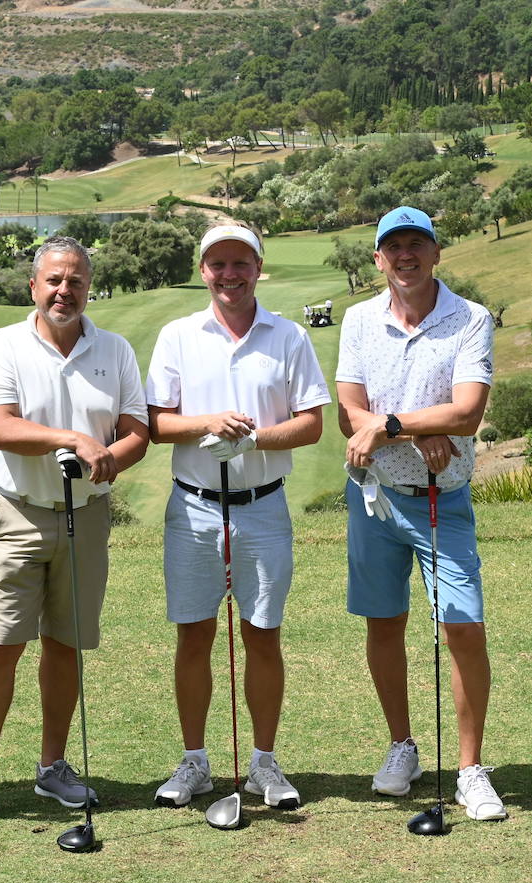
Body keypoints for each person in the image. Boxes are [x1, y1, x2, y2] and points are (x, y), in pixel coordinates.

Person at [0, 236, 150, 829]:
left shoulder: (114, 349)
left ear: (89, 287)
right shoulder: (2, 345)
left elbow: (137, 429)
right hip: (18, 512)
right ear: (34, 286)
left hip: (88, 515)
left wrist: (114, 456)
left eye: (76, 280)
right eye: (54, 280)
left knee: (66, 645)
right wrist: (77, 440)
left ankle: (52, 766)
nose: (65, 290)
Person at [145, 223, 330, 810]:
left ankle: (264, 764)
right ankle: (195, 761)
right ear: (204, 270)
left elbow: (311, 423)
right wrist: (208, 424)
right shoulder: (177, 336)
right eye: (218, 264)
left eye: (240, 263)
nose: (229, 275)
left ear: (258, 268)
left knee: (263, 634)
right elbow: (155, 423)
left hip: (264, 505)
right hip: (194, 508)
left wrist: (253, 439)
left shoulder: (289, 336)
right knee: (194, 633)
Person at [336, 206, 506, 821]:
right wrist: (406, 435)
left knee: (462, 625)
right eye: (393, 247)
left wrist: (395, 424)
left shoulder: (470, 318)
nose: (405, 256)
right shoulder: (358, 319)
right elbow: (348, 412)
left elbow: (465, 414)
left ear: (435, 253)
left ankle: (470, 769)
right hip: (374, 497)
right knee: (384, 624)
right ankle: (401, 746)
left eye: (417, 244)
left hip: (444, 498)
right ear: (378, 259)